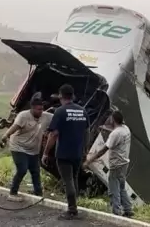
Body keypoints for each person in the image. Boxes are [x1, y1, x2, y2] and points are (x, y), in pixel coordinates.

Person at [42, 84, 89, 220]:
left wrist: (45, 152)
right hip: (77, 154)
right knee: (73, 179)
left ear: (61, 96)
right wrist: (84, 150)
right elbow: (87, 132)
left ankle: (72, 210)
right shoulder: (83, 111)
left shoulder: (60, 111)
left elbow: (54, 134)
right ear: (73, 96)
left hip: (63, 153)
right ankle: (74, 205)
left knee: (67, 181)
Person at [83, 111, 134, 218]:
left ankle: (116, 212)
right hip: (124, 163)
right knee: (121, 187)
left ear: (113, 120)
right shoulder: (125, 129)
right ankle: (128, 209)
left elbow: (103, 150)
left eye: (111, 118)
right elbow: (115, 133)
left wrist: (89, 161)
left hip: (116, 165)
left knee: (113, 189)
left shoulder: (115, 134)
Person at [2, 96, 53, 201]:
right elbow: (14, 127)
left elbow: (58, 117)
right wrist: (5, 136)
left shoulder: (46, 116)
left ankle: (38, 194)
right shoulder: (23, 116)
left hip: (33, 150)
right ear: (32, 108)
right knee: (22, 169)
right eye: (38, 109)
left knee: (35, 171)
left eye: (42, 109)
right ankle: (12, 193)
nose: (40, 112)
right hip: (18, 147)